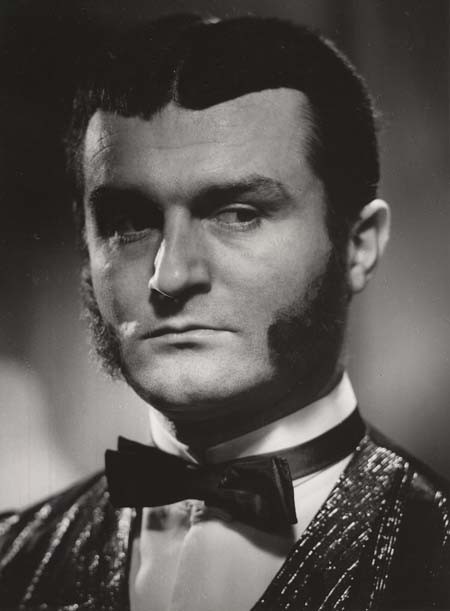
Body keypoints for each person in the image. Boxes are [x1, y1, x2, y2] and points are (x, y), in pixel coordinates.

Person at [0, 14, 448, 611]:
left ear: (358, 247)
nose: (170, 276)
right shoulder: (12, 561)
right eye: (128, 223)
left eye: (237, 214)